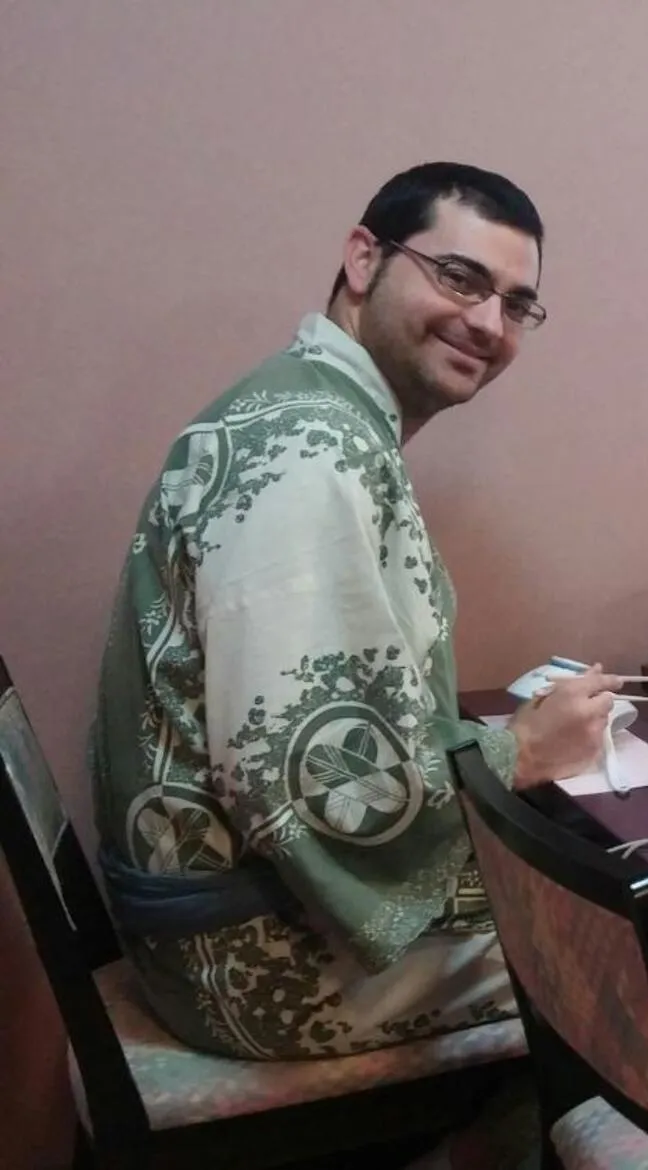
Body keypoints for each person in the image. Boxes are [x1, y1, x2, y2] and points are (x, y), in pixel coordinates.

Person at [88, 162, 615, 1064]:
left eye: (516, 303)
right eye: (459, 278)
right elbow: (306, 779)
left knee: (597, 874)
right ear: (364, 259)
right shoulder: (308, 449)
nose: (486, 323)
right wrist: (521, 751)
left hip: (241, 902)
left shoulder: (310, 406)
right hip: (252, 956)